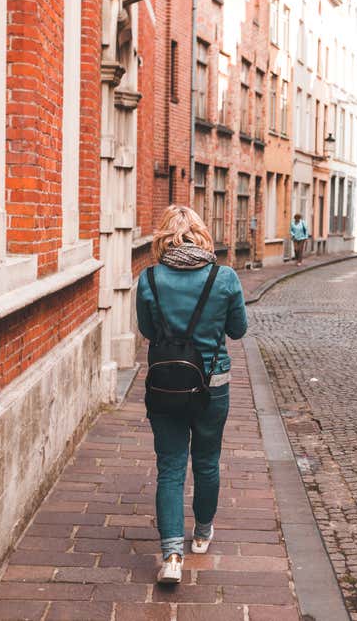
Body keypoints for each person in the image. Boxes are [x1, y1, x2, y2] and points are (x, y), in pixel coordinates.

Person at [135, 205, 248, 585]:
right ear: (202, 235)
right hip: (212, 385)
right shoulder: (225, 277)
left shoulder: (149, 279)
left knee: (169, 467)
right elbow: (238, 331)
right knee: (207, 460)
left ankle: (170, 555)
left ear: (163, 237)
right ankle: (201, 533)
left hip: (165, 385)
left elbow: (149, 331)